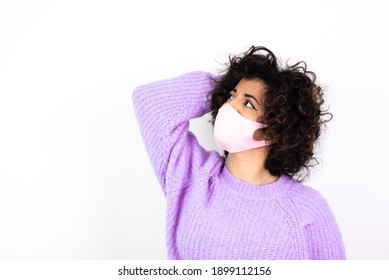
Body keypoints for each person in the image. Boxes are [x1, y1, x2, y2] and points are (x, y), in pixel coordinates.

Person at [132, 46, 346, 260]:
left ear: (273, 130)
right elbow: (150, 103)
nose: (229, 105)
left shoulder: (307, 208)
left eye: (248, 103)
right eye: (231, 96)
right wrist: (226, 84)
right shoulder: (193, 176)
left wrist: (285, 94)